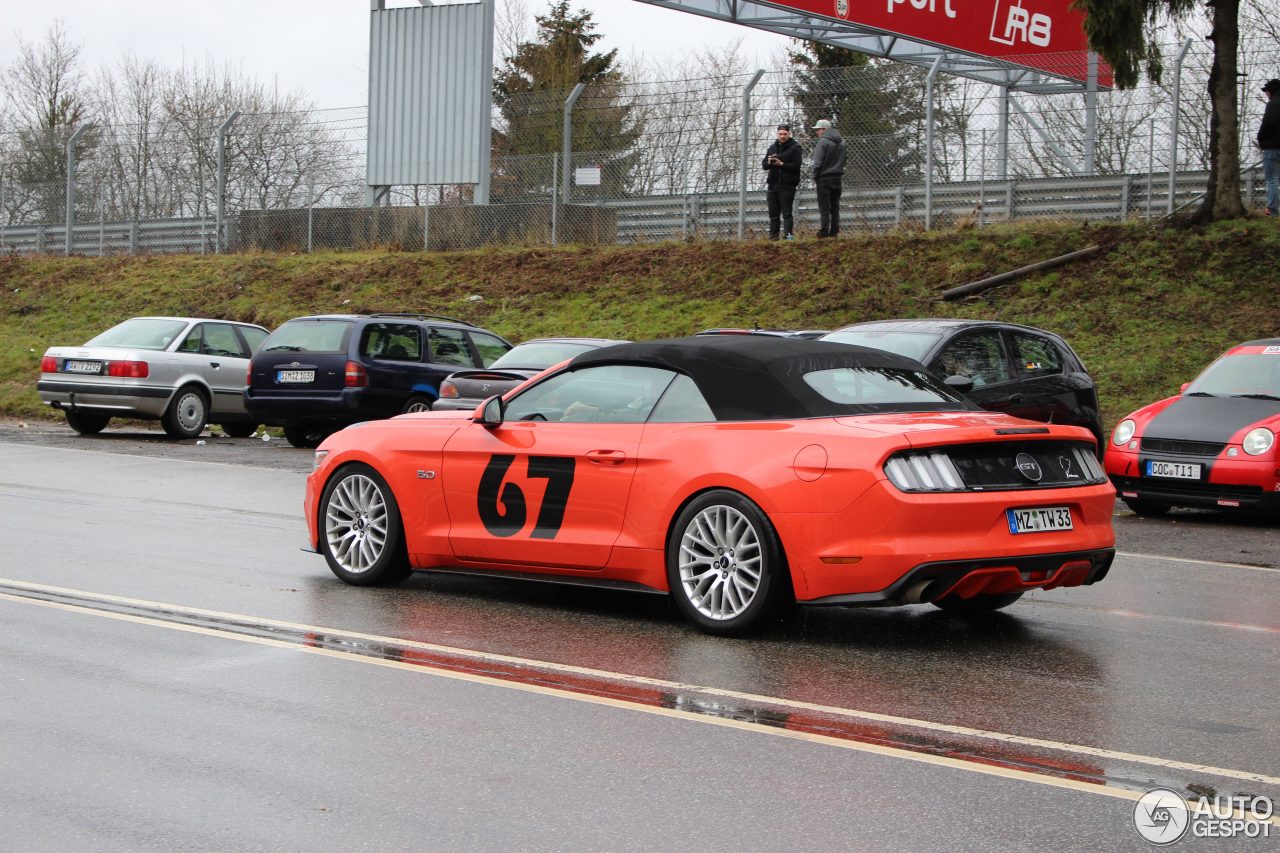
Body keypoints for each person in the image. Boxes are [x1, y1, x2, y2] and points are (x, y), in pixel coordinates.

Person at [762, 124, 802, 240]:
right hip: (773, 185)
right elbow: (764, 165)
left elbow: (796, 165)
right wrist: (769, 162)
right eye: (780, 134)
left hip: (787, 185)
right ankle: (773, 237)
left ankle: (789, 237)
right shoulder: (771, 148)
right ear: (777, 134)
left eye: (785, 134)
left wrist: (782, 164)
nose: (783, 136)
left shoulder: (795, 148)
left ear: (789, 134)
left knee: (787, 213)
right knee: (773, 214)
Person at [811, 119, 847, 238]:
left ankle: (824, 231)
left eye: (818, 130)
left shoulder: (823, 142)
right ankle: (834, 232)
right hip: (837, 178)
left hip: (824, 178)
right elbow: (844, 160)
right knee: (835, 207)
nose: (817, 132)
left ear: (824, 129)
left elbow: (818, 161)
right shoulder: (842, 142)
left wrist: (815, 175)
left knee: (824, 207)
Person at [1258, 79, 1280, 216]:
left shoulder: (1273, 104)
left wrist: (1261, 138)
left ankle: (1272, 210)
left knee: (1272, 179)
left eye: (1267, 91)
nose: (1266, 94)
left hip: (1272, 147)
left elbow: (1267, 123)